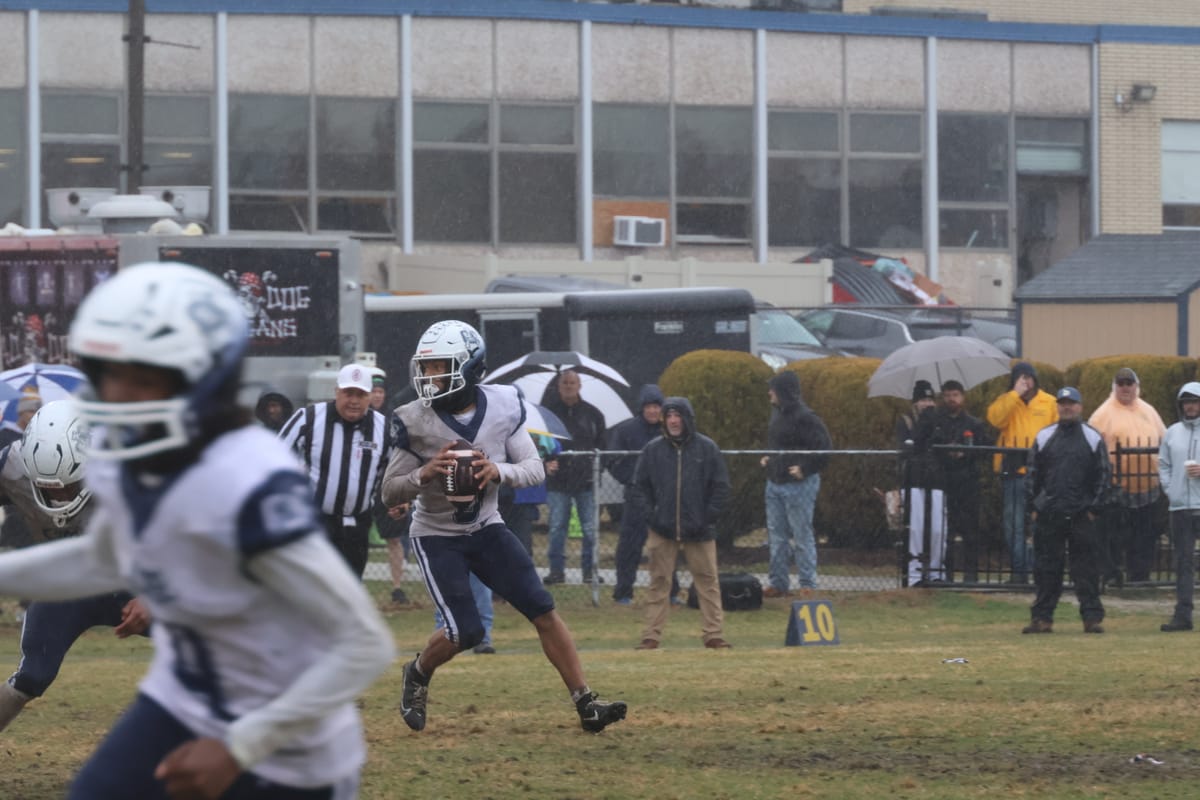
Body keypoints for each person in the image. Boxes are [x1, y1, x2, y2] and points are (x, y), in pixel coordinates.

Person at [0, 262, 394, 798]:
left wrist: (241, 744)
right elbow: (103, 557)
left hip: (283, 729)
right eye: (111, 371)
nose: (119, 391)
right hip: (181, 694)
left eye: (143, 376)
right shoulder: (120, 452)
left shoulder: (250, 478)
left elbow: (362, 643)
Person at [381, 320, 626, 733]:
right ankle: (418, 671)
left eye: (440, 367)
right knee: (467, 631)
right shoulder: (412, 419)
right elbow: (390, 491)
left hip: (487, 526)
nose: (429, 377)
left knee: (543, 609)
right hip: (437, 534)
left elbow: (533, 470)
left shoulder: (504, 404)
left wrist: (497, 470)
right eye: (427, 367)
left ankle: (587, 704)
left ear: (470, 368)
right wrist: (425, 474)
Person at [0, 400, 151, 733]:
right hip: (70, 582)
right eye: (48, 488)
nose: (59, 496)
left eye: (69, 485)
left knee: (208, 647)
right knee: (32, 674)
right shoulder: (10, 467)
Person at [632, 397, 731, 650]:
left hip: (700, 531)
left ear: (688, 419)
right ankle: (651, 636)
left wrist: (707, 517)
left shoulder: (707, 448)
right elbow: (640, 487)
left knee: (708, 582)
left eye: (678, 416)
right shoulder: (652, 450)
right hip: (662, 529)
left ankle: (714, 634)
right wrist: (652, 516)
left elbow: (721, 487)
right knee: (658, 582)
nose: (674, 421)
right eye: (669, 416)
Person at [279, 363, 393, 579]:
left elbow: (395, 468)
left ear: (369, 396)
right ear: (336, 392)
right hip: (315, 523)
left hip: (358, 526)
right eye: (348, 393)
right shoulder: (308, 419)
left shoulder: (384, 428)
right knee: (312, 589)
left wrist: (398, 498)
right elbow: (275, 458)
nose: (354, 401)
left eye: (360, 394)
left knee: (348, 592)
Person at [1022, 387, 1111, 634]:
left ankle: (1092, 619)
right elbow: (1032, 476)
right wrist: (1034, 507)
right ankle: (1042, 619)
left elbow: (1104, 475)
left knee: (1086, 570)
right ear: (1057, 407)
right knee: (1046, 569)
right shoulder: (1044, 436)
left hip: (1082, 514)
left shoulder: (1092, 437)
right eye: (1062, 403)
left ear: (1080, 407)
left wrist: (1094, 508)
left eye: (1071, 403)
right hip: (1050, 514)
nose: (1066, 407)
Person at [1087, 367, 1166, 586]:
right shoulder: (1102, 414)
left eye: (1129, 383)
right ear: (1114, 387)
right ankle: (1113, 576)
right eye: (1120, 383)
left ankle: (1139, 577)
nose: (1125, 388)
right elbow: (1093, 448)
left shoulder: (1148, 411)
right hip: (1116, 489)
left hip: (1148, 488)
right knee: (1115, 536)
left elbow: (1164, 439)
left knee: (1145, 536)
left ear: (1136, 386)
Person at [987, 361, 1059, 584]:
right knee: (1013, 524)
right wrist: (1013, 395)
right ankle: (1020, 571)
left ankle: (1039, 569)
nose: (1025, 381)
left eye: (1029, 377)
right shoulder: (1007, 400)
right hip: (1013, 470)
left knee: (1042, 524)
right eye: (1020, 378)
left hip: (1041, 472)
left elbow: (1057, 433)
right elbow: (995, 419)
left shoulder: (1049, 402)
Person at [761, 370, 831, 597]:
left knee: (801, 535)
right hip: (775, 482)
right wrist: (769, 458)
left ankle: (807, 583)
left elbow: (825, 448)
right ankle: (778, 582)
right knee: (777, 536)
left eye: (773, 388)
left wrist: (805, 468)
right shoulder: (776, 415)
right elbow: (777, 444)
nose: (769, 392)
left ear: (783, 392)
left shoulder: (806, 417)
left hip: (799, 485)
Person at [918, 380, 989, 582]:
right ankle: (944, 572)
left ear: (963, 397)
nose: (952, 399)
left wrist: (966, 454)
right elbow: (923, 445)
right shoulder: (935, 422)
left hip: (968, 482)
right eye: (948, 395)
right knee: (943, 530)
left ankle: (971, 574)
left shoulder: (974, 424)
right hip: (942, 481)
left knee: (970, 530)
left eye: (955, 395)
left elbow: (984, 450)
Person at [541, 369, 607, 585]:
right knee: (557, 526)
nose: (569, 386)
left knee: (590, 528)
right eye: (565, 383)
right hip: (558, 482)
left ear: (579, 386)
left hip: (586, 482)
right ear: (559, 387)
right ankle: (556, 571)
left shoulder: (593, 414)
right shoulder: (548, 414)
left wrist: (595, 468)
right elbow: (540, 443)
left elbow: (603, 447)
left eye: (572, 382)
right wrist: (545, 463)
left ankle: (590, 572)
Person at [607, 384, 671, 605]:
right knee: (629, 546)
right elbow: (613, 460)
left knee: (665, 547)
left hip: (663, 497)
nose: (653, 411)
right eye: (649, 407)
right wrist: (631, 479)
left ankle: (670, 592)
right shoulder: (626, 430)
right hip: (636, 497)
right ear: (642, 408)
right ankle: (623, 592)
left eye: (657, 407)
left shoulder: (669, 430)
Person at [364, 365, 413, 603]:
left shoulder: (391, 420)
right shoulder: (358, 421)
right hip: (362, 488)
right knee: (356, 536)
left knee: (394, 539)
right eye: (373, 391)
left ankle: (397, 587)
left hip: (387, 487)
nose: (377, 396)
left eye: (380, 392)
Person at [1156, 381, 1200, 632]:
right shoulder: (1172, 432)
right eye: (1186, 402)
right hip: (1180, 507)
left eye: (1194, 401)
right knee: (1183, 562)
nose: (1190, 406)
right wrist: (1170, 489)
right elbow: (1163, 464)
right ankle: (1183, 616)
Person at [897, 380, 946, 586]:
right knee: (915, 530)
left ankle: (936, 572)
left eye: (930, 400)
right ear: (915, 403)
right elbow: (910, 446)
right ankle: (914, 574)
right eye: (923, 400)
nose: (927, 404)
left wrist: (934, 425)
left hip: (936, 481)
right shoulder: (906, 421)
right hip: (914, 481)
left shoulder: (940, 421)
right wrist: (924, 425)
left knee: (937, 529)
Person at [0, 394, 43, 550]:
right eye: (32, 411)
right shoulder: (4, 438)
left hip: (38, 514)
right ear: (21, 413)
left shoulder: (39, 438)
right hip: (15, 518)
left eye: (39, 412)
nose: (35, 416)